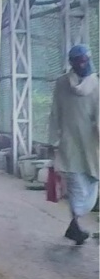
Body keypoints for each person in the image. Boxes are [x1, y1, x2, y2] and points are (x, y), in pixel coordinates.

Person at [49, 44, 99, 246]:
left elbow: (55, 115)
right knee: (81, 185)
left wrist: (52, 140)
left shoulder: (64, 83)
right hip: (85, 146)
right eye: (80, 61)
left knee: (85, 184)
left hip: (76, 144)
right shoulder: (94, 84)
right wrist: (52, 141)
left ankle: (75, 223)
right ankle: (76, 224)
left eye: (84, 60)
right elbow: (56, 113)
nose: (83, 64)